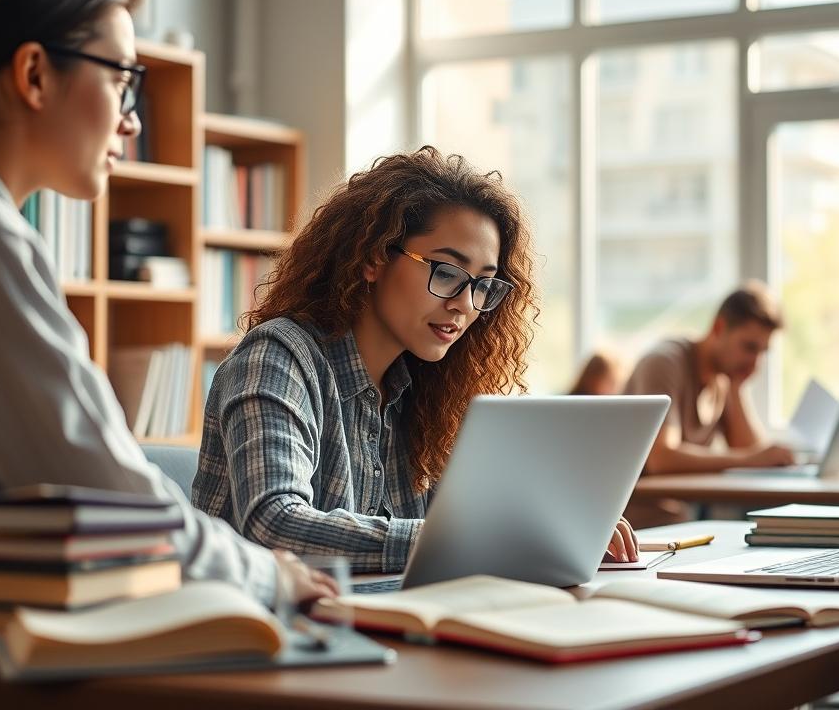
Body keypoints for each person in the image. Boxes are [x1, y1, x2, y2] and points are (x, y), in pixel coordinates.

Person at [0, 0, 333, 607]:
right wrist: (270, 576)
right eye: (122, 79)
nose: (133, 121)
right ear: (35, 74)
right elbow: (108, 497)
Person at [192, 147, 639, 572]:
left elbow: (474, 520)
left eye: (483, 285)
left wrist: (562, 529)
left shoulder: (426, 394)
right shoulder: (277, 357)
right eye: (446, 272)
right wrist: (485, 540)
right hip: (262, 634)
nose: (465, 305)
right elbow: (275, 523)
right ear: (372, 258)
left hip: (376, 627)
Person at [623, 282, 795, 475]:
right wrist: (752, 459)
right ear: (719, 327)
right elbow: (661, 458)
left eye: (763, 352)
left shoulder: (723, 378)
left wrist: (737, 389)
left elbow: (752, 453)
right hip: (637, 504)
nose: (755, 364)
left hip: (688, 503)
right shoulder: (664, 363)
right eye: (749, 347)